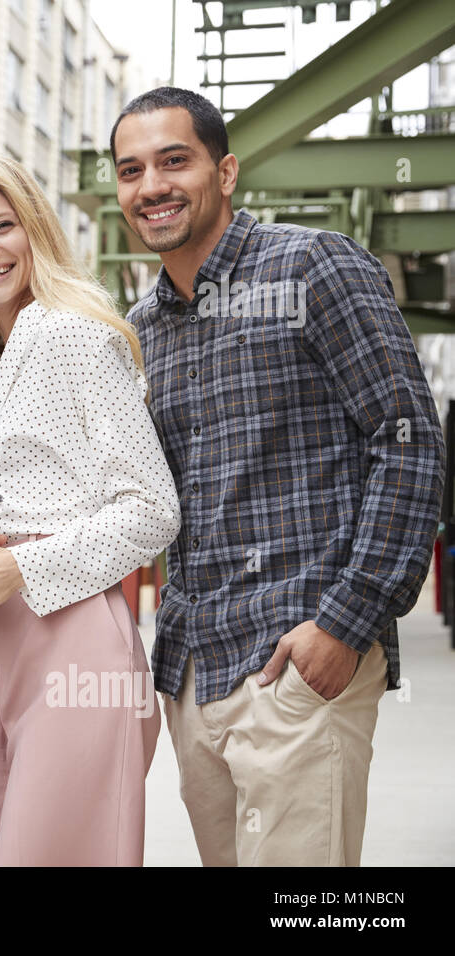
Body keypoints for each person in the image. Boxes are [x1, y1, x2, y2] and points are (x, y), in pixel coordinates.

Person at [110, 87, 444, 866]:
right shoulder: (140, 329)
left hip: (299, 657)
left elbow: (408, 442)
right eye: (131, 170)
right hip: (195, 665)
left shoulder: (313, 266)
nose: (151, 185)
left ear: (225, 172)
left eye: (174, 161)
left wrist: (345, 623)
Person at [0, 153, 181, 867]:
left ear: (35, 227)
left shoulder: (74, 332)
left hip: (76, 644)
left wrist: (17, 566)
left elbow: (152, 509)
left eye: (2, 226)